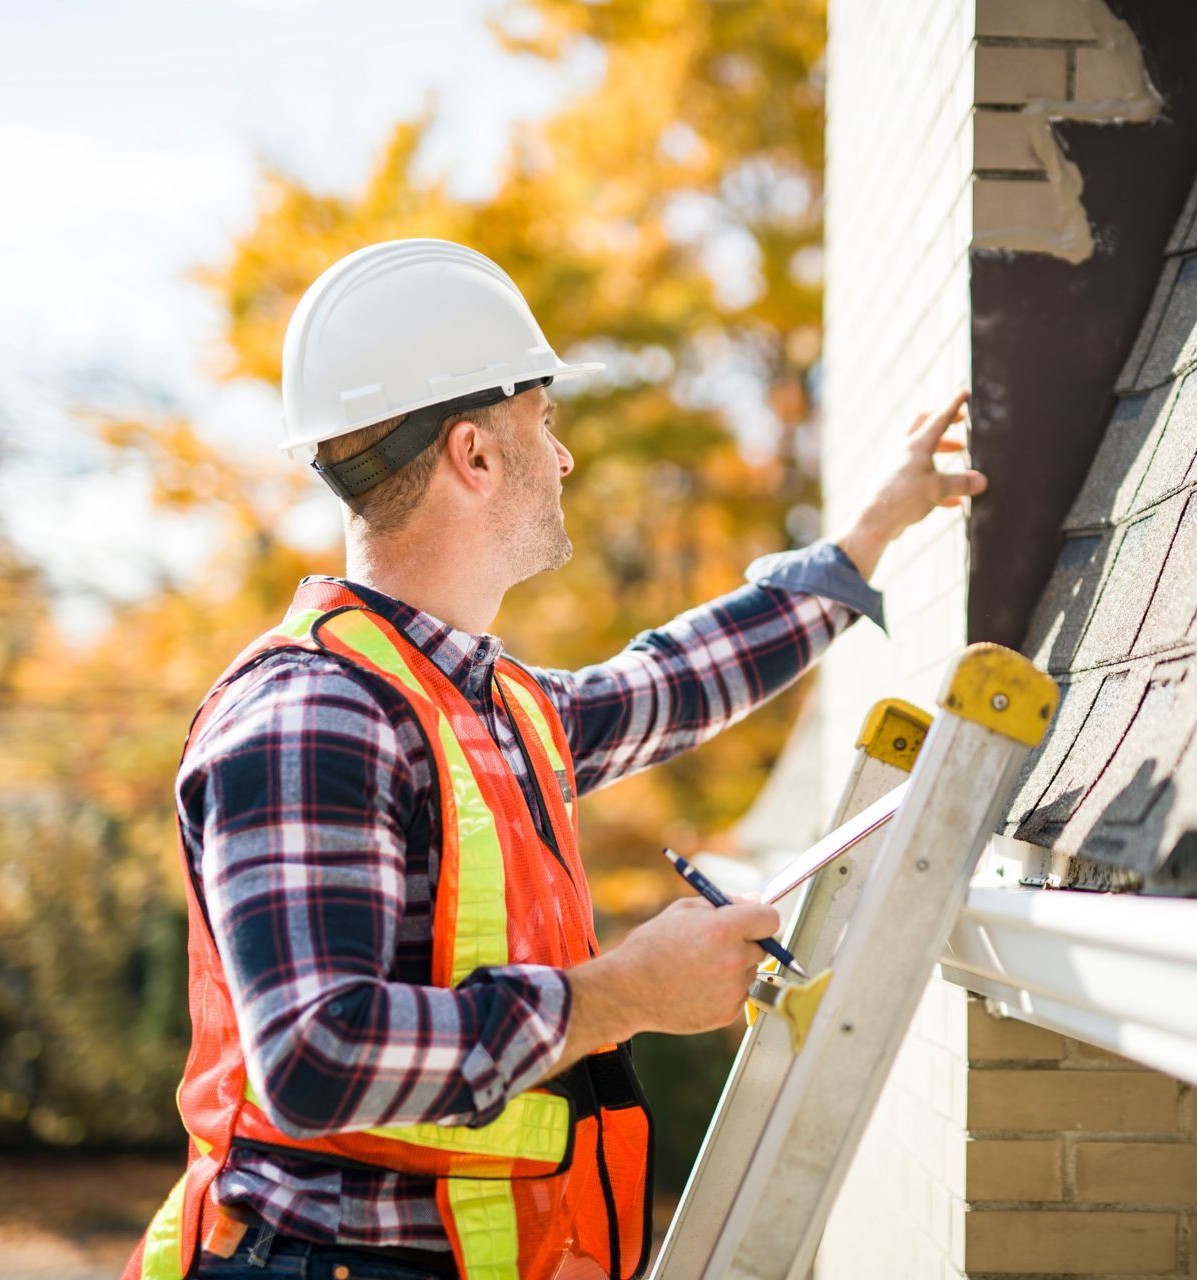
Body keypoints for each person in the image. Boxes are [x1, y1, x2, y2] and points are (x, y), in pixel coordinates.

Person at [123, 240, 984, 1280]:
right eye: (546, 420)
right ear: (474, 452)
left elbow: (670, 681)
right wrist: (619, 994)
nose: (565, 456)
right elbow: (316, 1054)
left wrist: (869, 534)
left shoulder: (482, 704)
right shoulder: (312, 712)